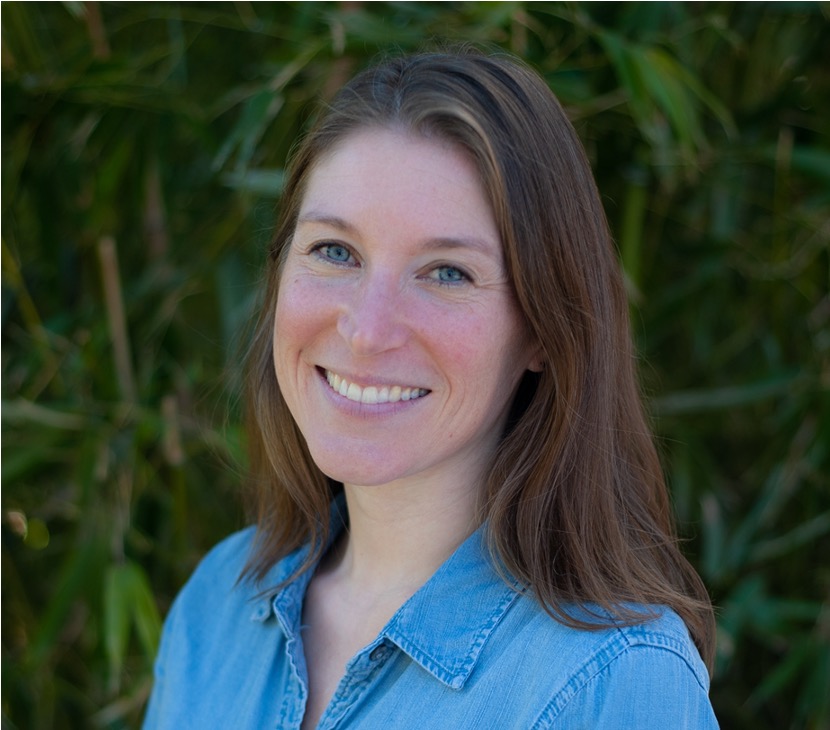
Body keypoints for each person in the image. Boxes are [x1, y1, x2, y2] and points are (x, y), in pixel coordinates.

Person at [144, 48, 718, 728]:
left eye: (447, 272)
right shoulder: (221, 603)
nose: (366, 331)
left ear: (543, 329)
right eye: (335, 251)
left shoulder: (613, 682)